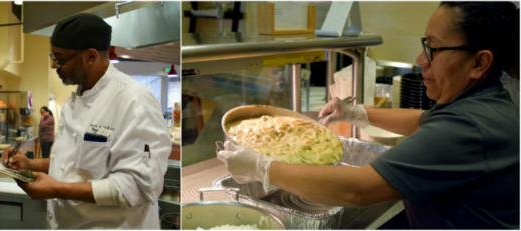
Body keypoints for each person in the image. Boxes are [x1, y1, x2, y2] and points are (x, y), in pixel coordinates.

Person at [217, 2, 519, 229]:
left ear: (480, 62)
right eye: (425, 45)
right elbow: (423, 121)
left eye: (434, 49)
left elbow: (358, 189)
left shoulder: (471, 125)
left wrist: (261, 167)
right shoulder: (482, 100)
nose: (420, 60)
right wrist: (358, 113)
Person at [2, 13, 171, 229]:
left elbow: (137, 186)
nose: (54, 66)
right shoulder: (77, 99)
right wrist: (30, 165)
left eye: (59, 59)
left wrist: (56, 189)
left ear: (90, 56)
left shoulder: (135, 102)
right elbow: (72, 164)